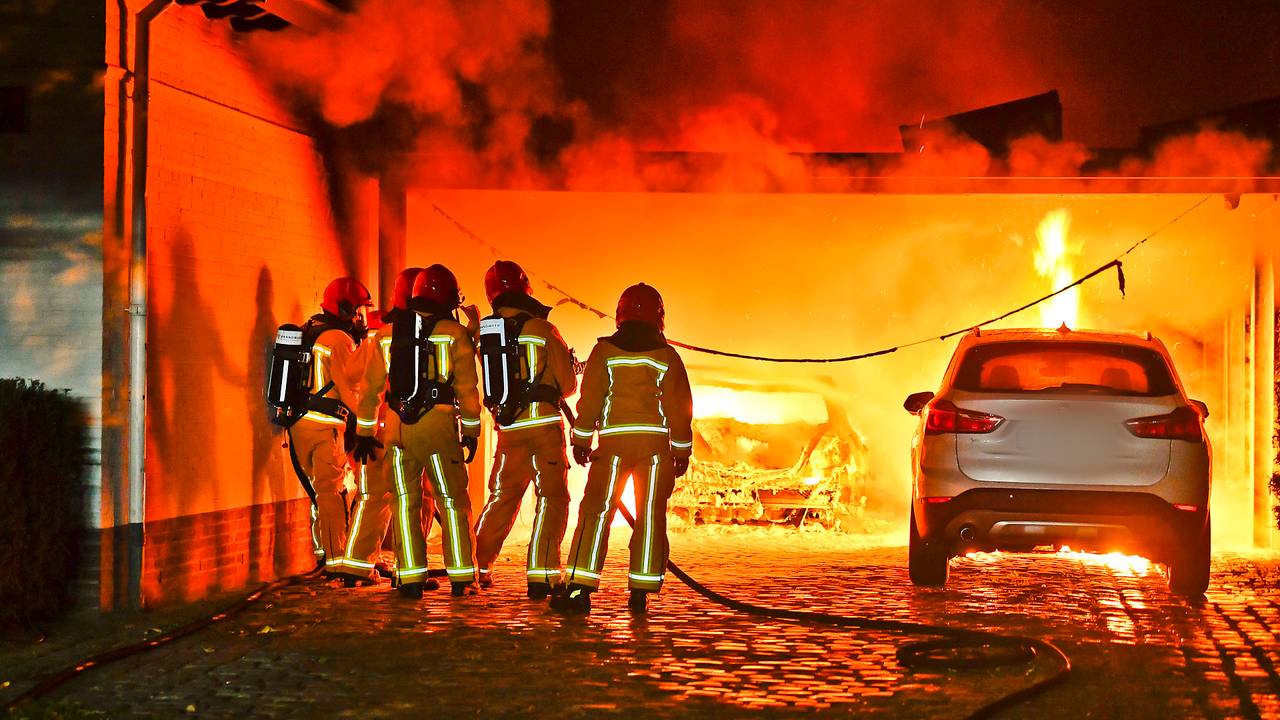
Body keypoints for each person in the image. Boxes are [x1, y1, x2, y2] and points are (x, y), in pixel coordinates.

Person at [552, 283, 693, 614]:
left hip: (612, 449)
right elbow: (681, 407)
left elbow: (590, 402)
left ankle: (579, 589)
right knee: (650, 518)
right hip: (656, 452)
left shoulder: (604, 353)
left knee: (595, 514)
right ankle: (640, 592)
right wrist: (681, 451)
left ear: (620, 315)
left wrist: (582, 441)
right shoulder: (668, 357)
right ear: (659, 318)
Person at [473, 261, 579, 600]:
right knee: (551, 499)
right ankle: (542, 575)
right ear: (525, 289)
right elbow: (567, 384)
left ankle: (477, 566)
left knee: (502, 499)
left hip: (509, 430)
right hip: (544, 429)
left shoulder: (487, 332)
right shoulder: (541, 328)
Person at [329, 267, 439, 593]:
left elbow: (362, 383)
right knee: (414, 499)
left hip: (373, 431)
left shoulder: (379, 336)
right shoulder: (434, 334)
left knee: (373, 497)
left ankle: (357, 565)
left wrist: (362, 429)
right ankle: (410, 571)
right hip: (409, 429)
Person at [384, 264, 484, 598]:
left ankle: (409, 578)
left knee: (405, 501)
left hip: (396, 428)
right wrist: (471, 431)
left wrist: (367, 432)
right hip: (438, 427)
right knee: (453, 500)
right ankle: (462, 577)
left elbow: (371, 389)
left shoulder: (388, 333)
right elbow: (469, 389)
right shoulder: (453, 333)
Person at [289, 277, 371, 573]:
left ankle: (324, 553)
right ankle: (337, 564)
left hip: (300, 425)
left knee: (318, 493)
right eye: (358, 310)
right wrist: (368, 423)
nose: (360, 317)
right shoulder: (338, 339)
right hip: (325, 426)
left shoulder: (310, 330)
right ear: (346, 308)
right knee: (331, 494)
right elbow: (350, 388)